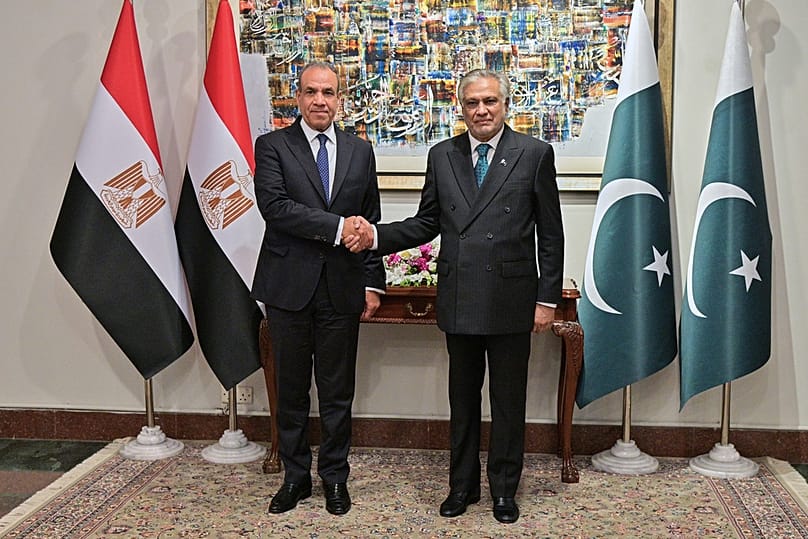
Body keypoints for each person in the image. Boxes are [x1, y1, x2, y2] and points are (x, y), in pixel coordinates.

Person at [345, 69, 564, 524]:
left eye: (489, 102)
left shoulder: (534, 153)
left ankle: (504, 489)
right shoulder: (442, 155)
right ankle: (461, 487)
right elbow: (427, 223)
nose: (481, 111)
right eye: (472, 103)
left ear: (505, 105)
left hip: (511, 298)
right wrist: (375, 238)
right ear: (460, 108)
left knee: (508, 400)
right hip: (461, 295)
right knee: (462, 399)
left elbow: (551, 235)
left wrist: (546, 299)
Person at [251, 62, 386, 516]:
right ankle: (295, 478)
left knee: (337, 392)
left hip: (343, 289)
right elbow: (275, 207)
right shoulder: (273, 146)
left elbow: (369, 221)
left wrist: (373, 281)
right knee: (290, 390)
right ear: (298, 97)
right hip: (288, 287)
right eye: (311, 92)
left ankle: (334, 478)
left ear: (341, 98)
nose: (320, 101)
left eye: (329, 92)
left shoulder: (360, 151)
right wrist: (335, 227)